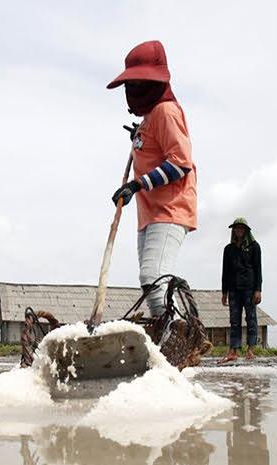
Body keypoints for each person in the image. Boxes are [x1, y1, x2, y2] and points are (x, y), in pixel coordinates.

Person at [107, 40, 197, 317]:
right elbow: (153, 147)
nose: (132, 91)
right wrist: (139, 136)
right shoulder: (150, 118)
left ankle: (179, 333)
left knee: (154, 277)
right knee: (152, 283)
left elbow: (181, 164)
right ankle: (169, 334)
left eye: (138, 84)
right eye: (130, 85)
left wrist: (137, 185)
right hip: (150, 213)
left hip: (170, 209)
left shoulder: (166, 111)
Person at [220, 218, 262, 363]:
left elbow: (258, 270)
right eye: (236, 228)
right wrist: (224, 292)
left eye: (241, 228)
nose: (238, 231)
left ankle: (250, 349)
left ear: (246, 230)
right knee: (234, 320)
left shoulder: (254, 247)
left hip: (249, 289)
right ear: (234, 231)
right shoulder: (228, 249)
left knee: (251, 318)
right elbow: (225, 272)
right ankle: (234, 350)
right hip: (233, 289)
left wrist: (258, 290)